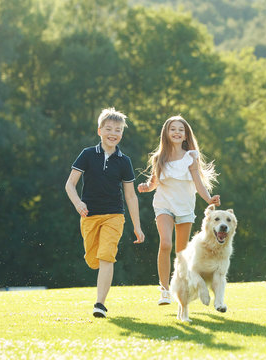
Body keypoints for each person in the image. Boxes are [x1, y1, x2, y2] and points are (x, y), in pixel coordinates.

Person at [65, 107, 145, 318]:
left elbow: (130, 196)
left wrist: (137, 226)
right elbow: (70, 185)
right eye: (108, 128)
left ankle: (99, 304)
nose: (113, 133)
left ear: (122, 134)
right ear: (99, 130)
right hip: (89, 215)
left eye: (118, 130)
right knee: (94, 259)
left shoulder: (124, 161)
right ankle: (100, 291)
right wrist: (78, 203)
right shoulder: (87, 154)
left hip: (114, 215)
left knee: (107, 256)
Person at [138, 115, 220, 305]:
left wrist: (209, 199)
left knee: (181, 252)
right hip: (163, 205)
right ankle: (164, 290)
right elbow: (153, 183)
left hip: (184, 207)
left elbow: (198, 183)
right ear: (166, 134)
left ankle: (182, 287)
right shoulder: (160, 158)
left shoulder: (191, 157)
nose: (176, 132)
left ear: (185, 135)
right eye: (172, 129)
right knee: (166, 244)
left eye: (180, 130)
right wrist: (145, 187)